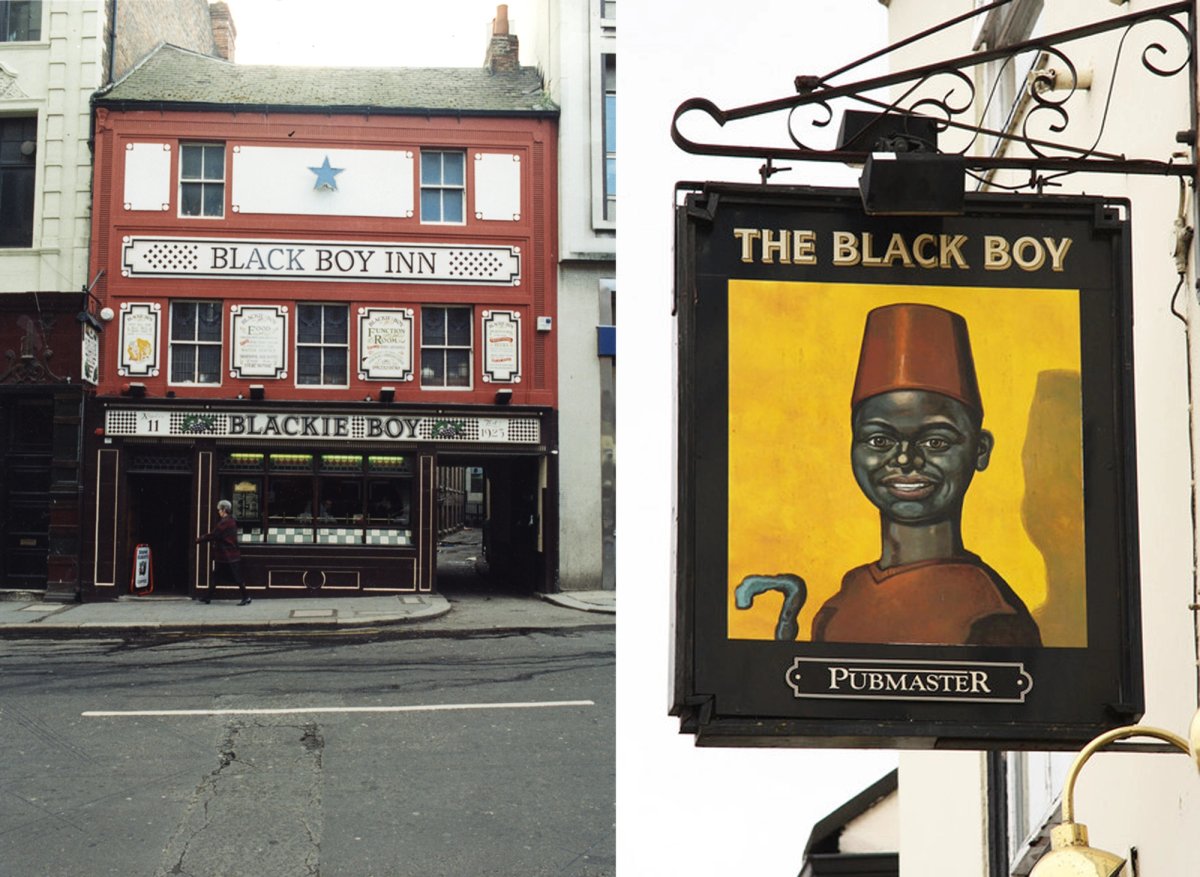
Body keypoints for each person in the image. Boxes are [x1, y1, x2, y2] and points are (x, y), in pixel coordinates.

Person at [736, 303, 1042, 647]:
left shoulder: (991, 617)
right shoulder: (842, 600)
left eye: (935, 440)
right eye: (880, 440)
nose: (905, 459)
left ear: (980, 450)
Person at [195, 499, 250, 605]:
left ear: (224, 510)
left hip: (228, 555)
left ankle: (246, 597)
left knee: (236, 577)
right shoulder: (230, 521)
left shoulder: (225, 522)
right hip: (225, 554)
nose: (218, 512)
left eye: (219, 510)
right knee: (217, 576)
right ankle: (208, 597)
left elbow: (214, 534)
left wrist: (199, 539)